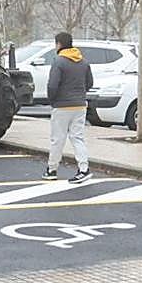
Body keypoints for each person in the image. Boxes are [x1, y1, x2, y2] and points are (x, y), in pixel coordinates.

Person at [45, 32, 94, 183]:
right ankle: (84, 169)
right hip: (79, 105)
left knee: (58, 139)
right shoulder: (83, 61)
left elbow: (53, 85)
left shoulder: (58, 62)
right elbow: (90, 83)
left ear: (59, 44)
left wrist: (52, 100)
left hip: (61, 106)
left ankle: (52, 170)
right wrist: (79, 94)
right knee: (77, 137)